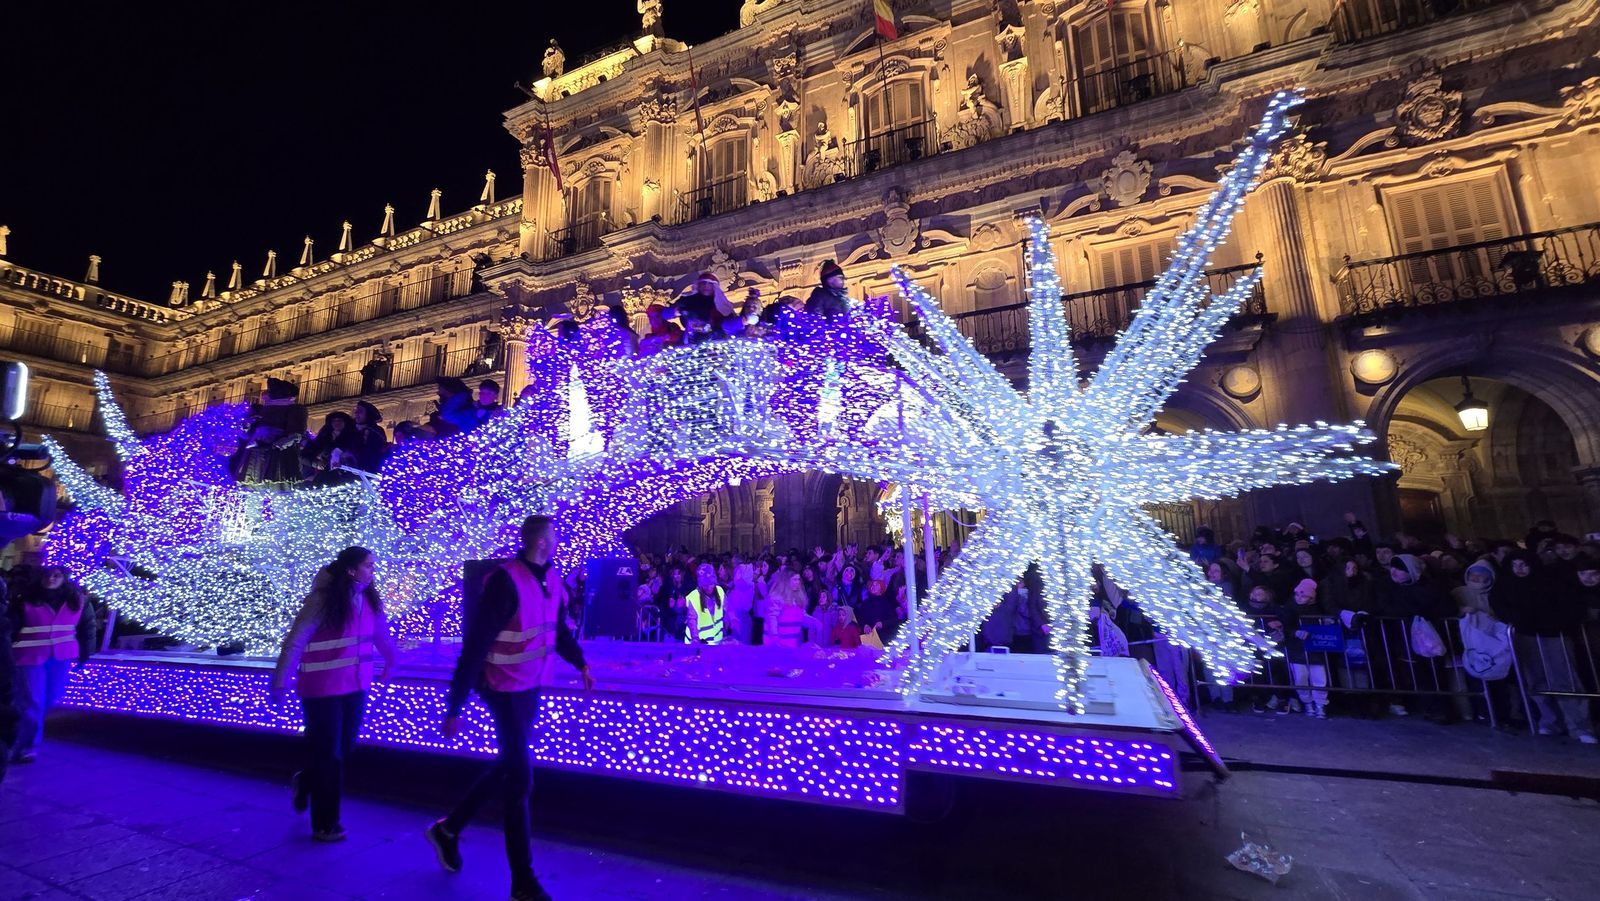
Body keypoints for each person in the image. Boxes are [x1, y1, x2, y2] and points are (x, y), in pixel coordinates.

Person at [427, 515, 593, 901]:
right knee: (521, 779)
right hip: (501, 688)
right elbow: (476, 644)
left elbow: (558, 630)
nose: (558, 541)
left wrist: (580, 662)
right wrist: (456, 704)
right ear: (540, 541)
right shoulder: (505, 581)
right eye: (554, 536)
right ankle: (523, 882)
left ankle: (448, 829)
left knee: (508, 764)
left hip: (530, 686)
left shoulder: (552, 580)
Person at [270, 547, 398, 841]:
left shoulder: (369, 599)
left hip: (355, 686)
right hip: (321, 687)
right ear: (351, 569)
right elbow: (296, 640)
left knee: (343, 750)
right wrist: (281, 680)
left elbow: (381, 635)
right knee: (330, 754)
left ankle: (307, 781)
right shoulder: (323, 600)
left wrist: (392, 660)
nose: (373, 570)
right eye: (368, 565)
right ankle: (326, 823)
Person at [1491, 552, 1595, 743]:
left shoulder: (1550, 584)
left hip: (1555, 635)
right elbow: (1501, 608)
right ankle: (1550, 721)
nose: (1519, 569)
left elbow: (1569, 607)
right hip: (1525, 636)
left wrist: (1553, 622)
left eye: (1524, 564)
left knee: (1566, 680)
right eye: (1515, 565)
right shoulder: (1504, 587)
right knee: (1535, 680)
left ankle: (1579, 725)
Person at [9, 566, 97, 763]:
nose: (51, 579)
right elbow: (11, 626)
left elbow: (87, 627)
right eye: (47, 575)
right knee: (33, 702)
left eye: (56, 575)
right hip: (29, 657)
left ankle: (18, 735)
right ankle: (26, 747)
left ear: (64, 578)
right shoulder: (26, 599)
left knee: (49, 700)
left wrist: (86, 651)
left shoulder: (77, 601)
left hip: (61, 657)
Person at [1283, 579, 1330, 718]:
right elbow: (1285, 626)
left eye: (1303, 596)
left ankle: (1320, 704)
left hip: (1315, 650)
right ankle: (1307, 702)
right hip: (1296, 649)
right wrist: (1294, 632)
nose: (1299, 598)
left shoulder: (1317, 610)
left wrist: (1326, 623)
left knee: (1319, 678)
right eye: (1297, 595)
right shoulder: (1288, 608)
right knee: (1300, 677)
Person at [666, 272, 735, 345]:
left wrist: (709, 329)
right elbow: (665, 314)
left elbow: (729, 326)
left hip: (715, 344)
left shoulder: (723, 306)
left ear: (715, 286)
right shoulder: (687, 301)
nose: (706, 285)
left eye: (710, 283)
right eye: (704, 283)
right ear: (698, 285)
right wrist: (678, 311)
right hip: (689, 342)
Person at [683, 562, 727, 645]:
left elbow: (726, 609)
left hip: (716, 642)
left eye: (711, 583)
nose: (709, 587)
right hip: (698, 643)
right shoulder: (694, 597)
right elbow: (692, 620)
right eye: (706, 585)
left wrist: (732, 619)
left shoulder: (720, 591)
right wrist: (695, 639)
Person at [350, 401, 390, 472]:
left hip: (366, 470)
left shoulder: (376, 431)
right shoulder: (349, 429)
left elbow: (374, 451)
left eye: (360, 411)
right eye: (356, 411)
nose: (356, 413)